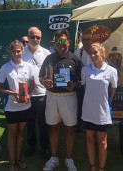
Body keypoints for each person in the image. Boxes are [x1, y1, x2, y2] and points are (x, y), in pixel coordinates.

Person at [39, 30, 83, 171]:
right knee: (54, 128)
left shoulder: (75, 59)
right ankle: (54, 158)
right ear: (54, 43)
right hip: (52, 97)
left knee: (70, 129)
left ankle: (69, 159)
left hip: (68, 98)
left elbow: (82, 81)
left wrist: (75, 86)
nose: (61, 44)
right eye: (57, 41)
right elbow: (41, 77)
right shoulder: (49, 58)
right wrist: (44, 82)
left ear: (69, 42)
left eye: (63, 41)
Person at [0, 40, 35, 171]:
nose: (16, 53)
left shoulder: (28, 66)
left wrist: (27, 94)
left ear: (22, 52)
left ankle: (18, 159)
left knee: (21, 133)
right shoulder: (5, 67)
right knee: (12, 133)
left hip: (25, 106)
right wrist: (13, 93)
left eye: (19, 51)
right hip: (11, 107)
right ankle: (11, 162)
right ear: (10, 52)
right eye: (14, 51)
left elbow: (33, 85)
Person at [81, 43, 117, 171]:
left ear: (102, 53)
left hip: (102, 112)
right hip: (88, 111)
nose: (92, 55)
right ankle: (93, 167)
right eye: (90, 53)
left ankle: (101, 168)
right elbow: (86, 88)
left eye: (95, 52)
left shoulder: (112, 71)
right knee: (90, 139)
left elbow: (112, 90)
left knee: (102, 142)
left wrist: (105, 103)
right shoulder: (85, 70)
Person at [22, 27, 51, 160]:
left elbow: (51, 72)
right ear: (28, 37)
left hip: (42, 94)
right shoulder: (22, 53)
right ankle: (31, 145)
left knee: (43, 123)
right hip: (26, 94)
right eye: (33, 37)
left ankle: (45, 147)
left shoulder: (46, 53)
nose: (35, 39)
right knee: (29, 123)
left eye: (38, 37)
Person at [74, 31, 94, 132]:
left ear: (92, 40)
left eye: (88, 39)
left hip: (93, 84)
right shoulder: (78, 52)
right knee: (80, 103)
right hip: (82, 84)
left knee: (92, 104)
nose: (86, 41)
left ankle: (90, 124)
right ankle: (79, 123)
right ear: (81, 40)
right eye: (84, 39)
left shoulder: (96, 51)